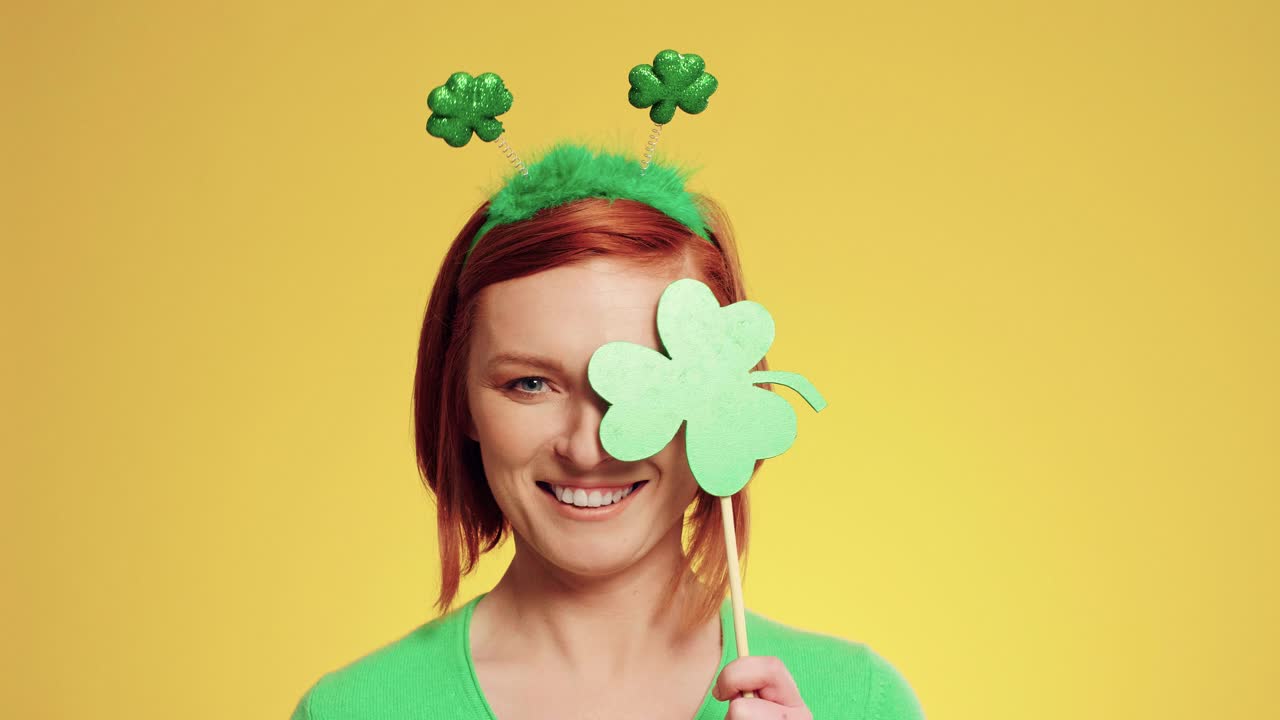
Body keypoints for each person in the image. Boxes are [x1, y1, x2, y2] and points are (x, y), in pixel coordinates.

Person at [289, 146, 925, 719]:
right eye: (530, 384)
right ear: (461, 405)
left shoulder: (861, 703)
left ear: (726, 396)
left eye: (642, 385)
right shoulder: (354, 711)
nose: (588, 446)